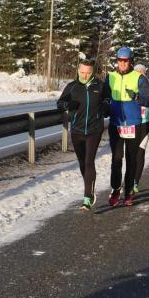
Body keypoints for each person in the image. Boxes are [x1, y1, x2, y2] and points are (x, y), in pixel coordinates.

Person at [57, 59, 109, 211]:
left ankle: (87, 197)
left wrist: (105, 106)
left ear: (92, 72)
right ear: (78, 70)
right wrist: (67, 105)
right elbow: (59, 103)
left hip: (94, 129)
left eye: (88, 72)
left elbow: (108, 99)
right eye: (82, 72)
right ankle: (89, 183)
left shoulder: (100, 86)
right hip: (77, 130)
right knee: (82, 163)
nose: (85, 75)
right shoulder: (72, 87)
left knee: (89, 161)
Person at [105, 46, 149, 207]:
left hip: (134, 124)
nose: (122, 63)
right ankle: (115, 189)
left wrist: (137, 96)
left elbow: (148, 100)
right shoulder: (110, 76)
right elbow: (104, 96)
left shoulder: (139, 78)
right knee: (117, 158)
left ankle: (129, 192)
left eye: (125, 60)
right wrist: (105, 107)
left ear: (131, 61)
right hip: (116, 124)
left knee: (131, 159)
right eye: (119, 60)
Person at [132, 63, 149, 194]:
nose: (140, 74)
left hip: (145, 124)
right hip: (132, 124)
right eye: (137, 72)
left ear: (145, 73)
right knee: (131, 154)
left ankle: (135, 182)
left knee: (140, 153)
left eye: (142, 71)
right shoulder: (129, 86)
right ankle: (129, 179)